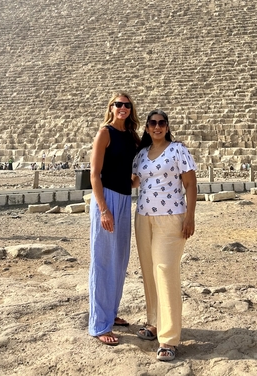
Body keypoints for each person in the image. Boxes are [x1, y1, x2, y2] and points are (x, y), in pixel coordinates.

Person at [132, 109, 197, 362]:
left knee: (166, 271)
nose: (157, 127)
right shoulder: (140, 155)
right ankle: (154, 322)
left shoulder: (178, 150)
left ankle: (168, 339)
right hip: (143, 218)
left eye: (161, 123)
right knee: (149, 272)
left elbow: (190, 184)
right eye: (152, 123)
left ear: (167, 126)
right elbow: (136, 181)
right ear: (147, 128)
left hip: (171, 219)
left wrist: (190, 217)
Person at [88, 92, 140, 346]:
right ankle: (99, 324)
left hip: (124, 198)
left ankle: (111, 312)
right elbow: (95, 174)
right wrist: (103, 209)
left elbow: (135, 169)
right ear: (111, 107)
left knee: (119, 261)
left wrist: (137, 180)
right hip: (106, 200)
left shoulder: (132, 136)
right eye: (118, 104)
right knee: (103, 260)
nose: (123, 108)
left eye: (127, 105)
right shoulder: (104, 133)